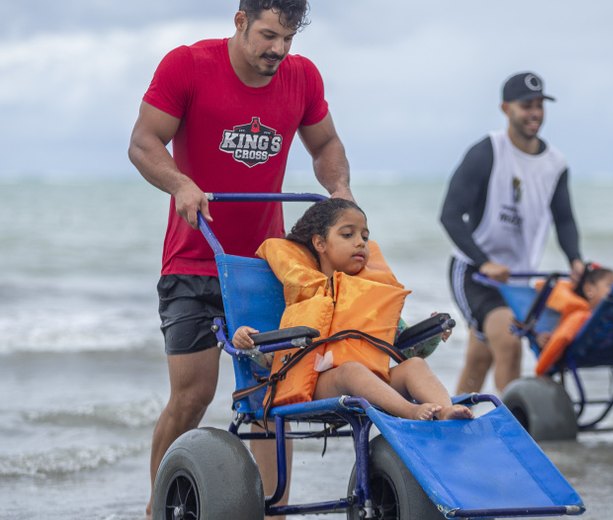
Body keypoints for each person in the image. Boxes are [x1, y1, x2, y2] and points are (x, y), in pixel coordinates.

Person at [127, 1, 351, 516]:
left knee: (271, 395)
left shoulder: (302, 78)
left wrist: (338, 188)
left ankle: (274, 512)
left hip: (263, 266)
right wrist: (181, 183)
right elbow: (143, 143)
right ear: (240, 21)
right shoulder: (187, 64)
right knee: (193, 395)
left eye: (287, 39)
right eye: (268, 35)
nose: (277, 49)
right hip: (193, 261)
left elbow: (326, 143)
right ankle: (159, 505)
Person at [234, 198, 474, 421]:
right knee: (351, 371)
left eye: (365, 236)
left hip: (376, 385)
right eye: (348, 235)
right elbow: (273, 357)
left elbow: (408, 349)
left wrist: (431, 335)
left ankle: (444, 409)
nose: (360, 241)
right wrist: (246, 339)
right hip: (321, 386)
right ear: (320, 243)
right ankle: (410, 411)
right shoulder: (304, 294)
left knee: (415, 367)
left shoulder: (370, 294)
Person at [440, 71, 584, 394]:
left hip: (518, 280)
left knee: (480, 358)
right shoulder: (487, 151)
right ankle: (517, 430)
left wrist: (576, 260)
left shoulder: (555, 164)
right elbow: (449, 215)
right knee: (508, 342)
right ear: (506, 108)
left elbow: (564, 220)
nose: (534, 113)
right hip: (475, 274)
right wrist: (484, 261)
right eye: (525, 105)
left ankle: (452, 423)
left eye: (539, 105)